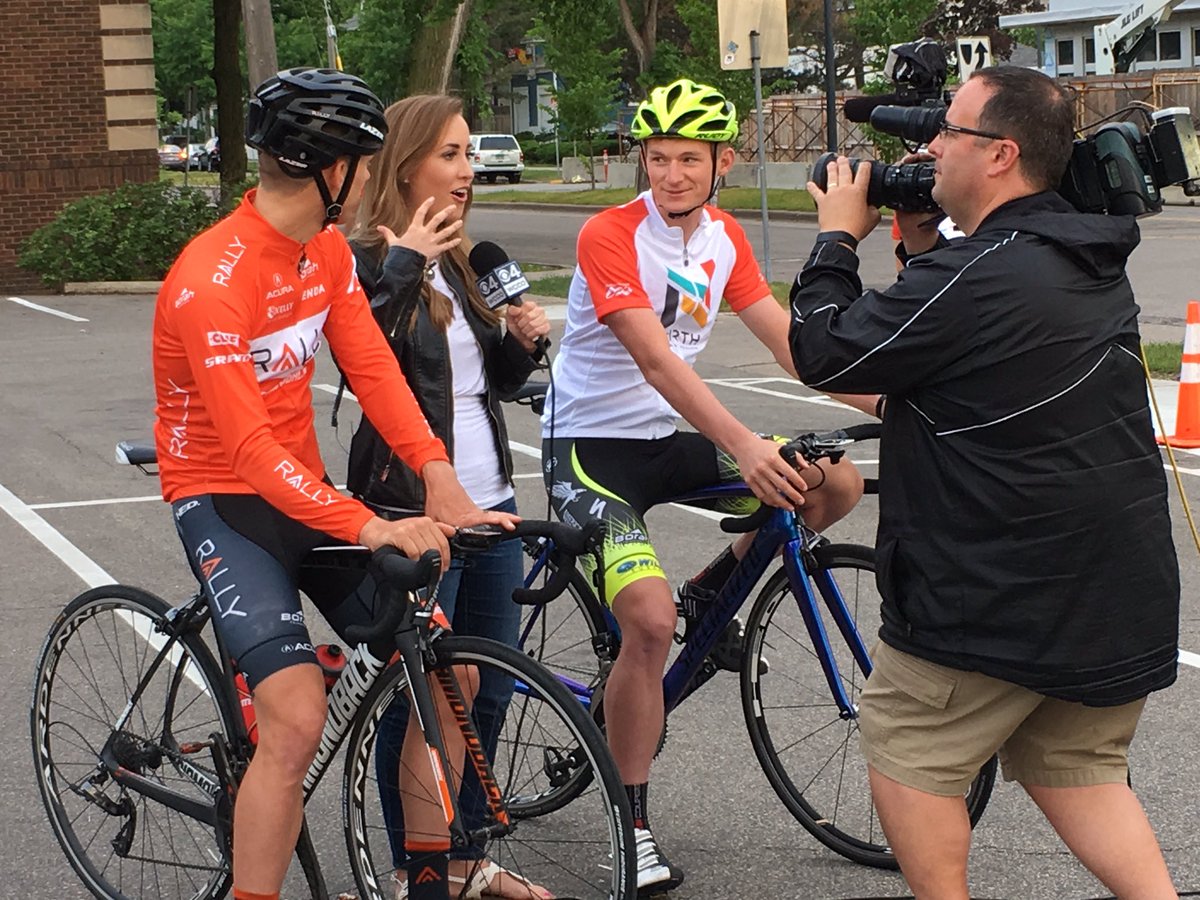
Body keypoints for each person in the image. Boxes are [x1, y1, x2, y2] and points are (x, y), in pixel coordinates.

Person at [788, 65, 1180, 898]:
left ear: (1001, 155)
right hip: (1114, 590)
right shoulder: (1081, 248)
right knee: (1076, 760)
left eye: (948, 134)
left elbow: (827, 347)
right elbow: (958, 346)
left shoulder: (981, 273)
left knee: (907, 747)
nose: (928, 148)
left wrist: (834, 237)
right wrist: (921, 240)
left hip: (996, 595)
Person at [153, 67, 517, 900]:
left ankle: (426, 882)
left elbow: (376, 371)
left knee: (445, 669)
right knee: (295, 721)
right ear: (328, 168)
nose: (366, 181)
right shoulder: (213, 278)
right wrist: (368, 526)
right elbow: (244, 449)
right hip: (224, 497)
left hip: (300, 489)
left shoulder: (323, 254)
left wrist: (437, 478)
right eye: (360, 160)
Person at [540, 77, 865, 894]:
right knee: (647, 625)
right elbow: (653, 359)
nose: (672, 174)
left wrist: (897, 397)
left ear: (725, 160)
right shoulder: (609, 235)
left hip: (663, 442)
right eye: (658, 158)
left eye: (689, 158)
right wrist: (744, 443)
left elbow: (797, 350)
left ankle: (713, 592)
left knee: (834, 482)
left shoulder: (724, 240)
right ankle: (631, 827)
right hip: (589, 450)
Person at [345, 93, 552, 900]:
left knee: (488, 688)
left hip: (490, 501)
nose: (469, 171)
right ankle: (416, 869)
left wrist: (519, 344)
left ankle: (467, 860)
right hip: (410, 505)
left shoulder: (462, 259)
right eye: (452, 155)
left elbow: (481, 389)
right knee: (424, 701)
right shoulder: (368, 256)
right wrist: (404, 265)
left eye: (471, 156)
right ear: (406, 166)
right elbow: (363, 351)